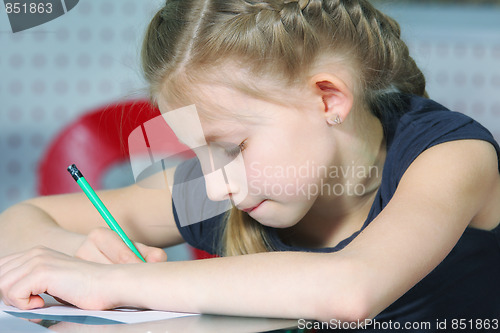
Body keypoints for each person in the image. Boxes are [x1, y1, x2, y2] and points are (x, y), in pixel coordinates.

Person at [0, 0, 499, 330]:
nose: (213, 187)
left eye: (233, 147)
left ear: (328, 98)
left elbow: (351, 288)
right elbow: (16, 224)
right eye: (199, 154)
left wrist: (107, 284)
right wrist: (78, 254)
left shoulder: (450, 157)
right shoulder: (232, 183)